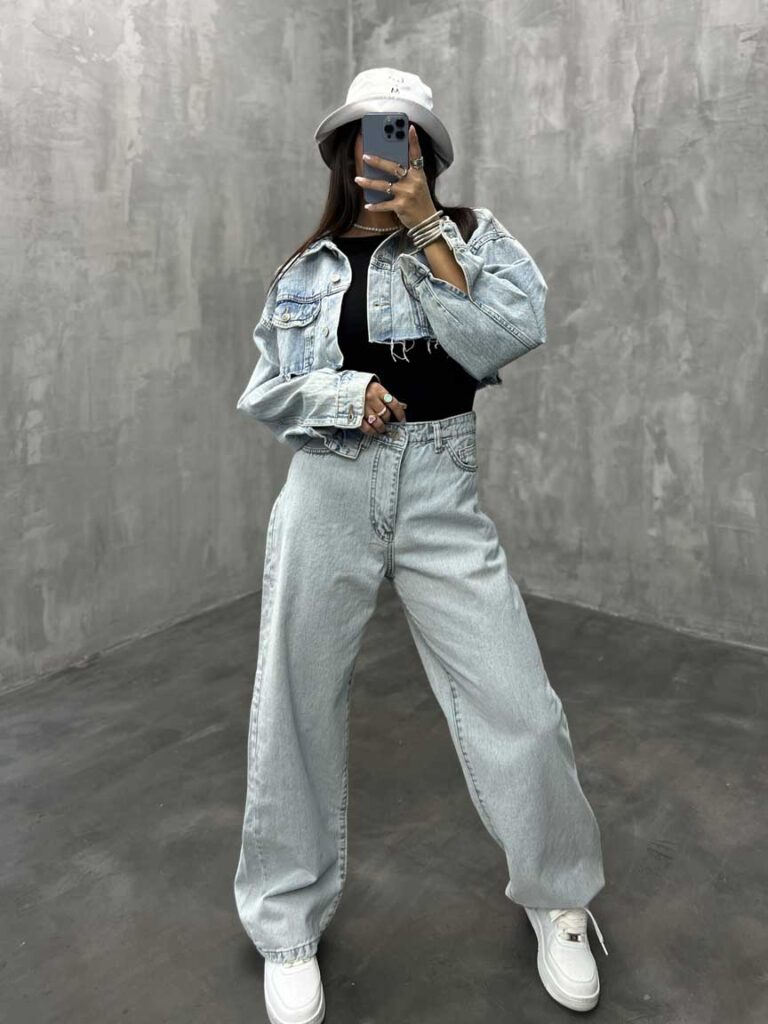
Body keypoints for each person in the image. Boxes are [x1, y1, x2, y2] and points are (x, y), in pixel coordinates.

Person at [233, 67, 608, 1024]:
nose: (382, 149)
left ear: (426, 153)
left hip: (441, 484)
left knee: (518, 704)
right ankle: (286, 923)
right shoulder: (305, 269)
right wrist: (342, 394)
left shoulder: (473, 237)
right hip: (328, 485)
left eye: (401, 133)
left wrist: (430, 231)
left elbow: (508, 334)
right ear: (342, 152)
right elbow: (267, 390)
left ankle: (560, 896)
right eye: (366, 133)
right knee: (294, 702)